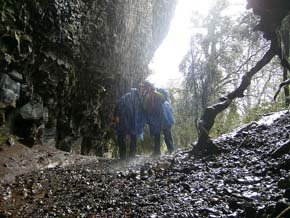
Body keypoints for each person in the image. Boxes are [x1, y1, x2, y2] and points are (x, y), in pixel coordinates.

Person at [142, 82, 175, 156]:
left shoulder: (155, 95)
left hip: (162, 117)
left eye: (146, 88)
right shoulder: (149, 96)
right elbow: (147, 108)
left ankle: (171, 150)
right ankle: (159, 151)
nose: (145, 89)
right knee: (158, 135)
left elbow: (161, 102)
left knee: (166, 134)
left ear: (149, 88)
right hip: (158, 118)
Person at [112, 87, 145, 160]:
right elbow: (119, 104)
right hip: (125, 120)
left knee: (130, 138)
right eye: (142, 91)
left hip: (131, 122)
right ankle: (126, 157)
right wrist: (116, 115)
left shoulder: (139, 99)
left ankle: (128, 157)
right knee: (124, 138)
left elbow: (141, 112)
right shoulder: (129, 96)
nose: (143, 92)